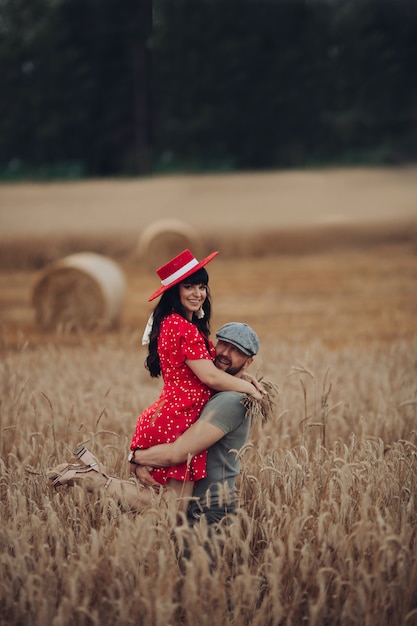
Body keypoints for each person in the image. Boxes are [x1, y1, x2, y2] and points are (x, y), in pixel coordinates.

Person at [50, 248, 263, 513]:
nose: (198, 293)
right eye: (189, 287)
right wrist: (250, 389)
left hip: (174, 413)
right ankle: (94, 479)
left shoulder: (178, 325)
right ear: (175, 291)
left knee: (164, 505)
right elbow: (210, 376)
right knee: (170, 508)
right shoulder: (182, 328)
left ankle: (98, 481)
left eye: (202, 286)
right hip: (178, 418)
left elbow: (212, 371)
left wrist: (246, 378)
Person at [49, 322, 264, 525]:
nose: (226, 353)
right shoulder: (218, 386)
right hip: (193, 503)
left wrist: (136, 458)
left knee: (167, 512)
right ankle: (94, 479)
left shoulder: (232, 400)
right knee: (166, 515)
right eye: (223, 344)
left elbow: (178, 453)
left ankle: (95, 480)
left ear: (249, 361)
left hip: (210, 508)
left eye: (237, 351)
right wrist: (244, 380)